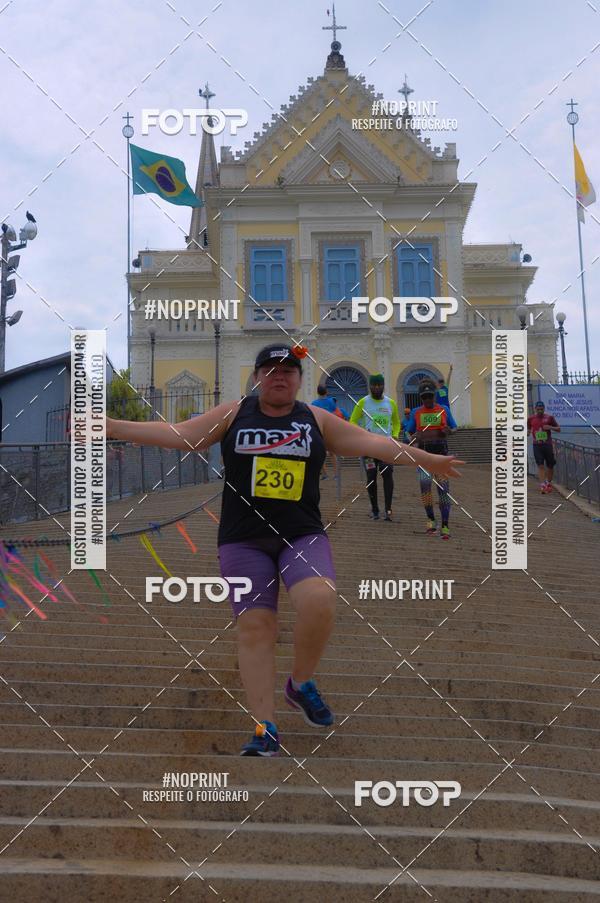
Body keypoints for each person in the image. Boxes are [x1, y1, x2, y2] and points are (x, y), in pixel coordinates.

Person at [107, 344, 463, 756]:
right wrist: (114, 426)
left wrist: (425, 459)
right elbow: (183, 436)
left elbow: (373, 443)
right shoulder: (234, 413)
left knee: (319, 600)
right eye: (271, 369)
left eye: (289, 370)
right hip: (243, 539)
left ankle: (300, 682)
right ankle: (265, 729)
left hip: (301, 534)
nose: (280, 376)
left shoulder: (315, 419)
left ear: (299, 378)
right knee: (256, 628)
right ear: (258, 376)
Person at [406, 378, 458, 540]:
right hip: (423, 458)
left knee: (443, 491)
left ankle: (445, 525)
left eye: (430, 396)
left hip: (441, 457)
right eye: (425, 397)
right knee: (425, 489)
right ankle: (430, 520)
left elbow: (455, 427)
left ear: (435, 395)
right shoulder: (415, 412)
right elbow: (408, 432)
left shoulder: (444, 410)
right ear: (421, 397)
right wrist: (412, 439)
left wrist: (449, 431)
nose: (428, 399)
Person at [349, 374, 401, 522]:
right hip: (369, 448)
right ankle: (375, 509)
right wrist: (361, 433)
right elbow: (352, 421)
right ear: (370, 386)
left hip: (386, 448)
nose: (376, 388)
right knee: (371, 477)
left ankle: (388, 510)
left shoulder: (391, 403)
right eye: (374, 385)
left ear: (383, 386)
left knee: (387, 475)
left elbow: (396, 422)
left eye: (379, 385)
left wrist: (396, 434)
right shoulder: (362, 402)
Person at [527, 401, 560, 493]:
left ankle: (548, 483)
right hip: (537, 445)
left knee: (550, 465)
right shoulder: (530, 419)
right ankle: (542, 485)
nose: (540, 411)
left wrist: (550, 427)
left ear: (544, 409)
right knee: (540, 465)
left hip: (547, 445)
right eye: (538, 409)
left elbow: (558, 429)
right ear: (535, 409)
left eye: (541, 409)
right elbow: (529, 428)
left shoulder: (549, 418)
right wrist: (528, 432)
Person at [311, 385, 337, 479]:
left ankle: (325, 474)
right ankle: (336, 474)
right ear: (326, 392)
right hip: (330, 429)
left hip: (319, 430)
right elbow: (334, 414)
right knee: (332, 453)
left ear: (317, 392)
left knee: (320, 454)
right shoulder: (331, 401)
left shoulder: (314, 403)